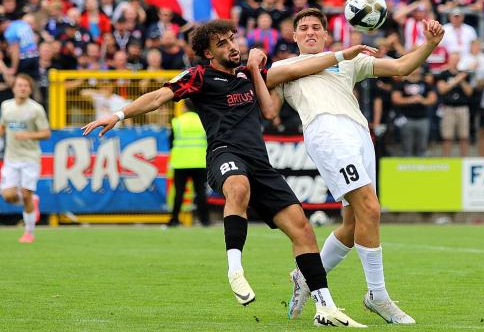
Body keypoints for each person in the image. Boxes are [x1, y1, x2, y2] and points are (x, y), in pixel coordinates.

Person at [82, 19, 376, 327]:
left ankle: (325, 307)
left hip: (260, 164)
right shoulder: (198, 76)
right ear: (208, 53)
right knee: (237, 187)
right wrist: (118, 114)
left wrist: (339, 55)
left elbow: (283, 91)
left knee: (303, 229)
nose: (231, 46)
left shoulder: (250, 74)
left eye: (232, 39)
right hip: (224, 154)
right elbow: (158, 97)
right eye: (221, 44)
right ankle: (235, 269)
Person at [266, 8, 445, 325]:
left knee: (353, 225)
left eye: (316, 28)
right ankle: (377, 295)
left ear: (325, 34)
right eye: (303, 28)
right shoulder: (285, 66)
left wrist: (428, 44)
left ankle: (306, 276)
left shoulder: (348, 61)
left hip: (360, 134)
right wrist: (337, 54)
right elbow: (269, 97)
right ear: (293, 36)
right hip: (327, 133)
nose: (310, 32)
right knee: (371, 210)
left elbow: (402, 66)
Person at [0, 74, 51, 243]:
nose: (22, 88)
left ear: (29, 89)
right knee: (8, 195)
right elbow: (3, 127)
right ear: (14, 88)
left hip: (30, 158)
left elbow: (46, 133)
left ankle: (29, 232)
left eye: (25, 86)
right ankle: (29, 200)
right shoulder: (6, 106)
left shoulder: (36, 109)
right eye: (19, 85)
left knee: (27, 194)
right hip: (11, 158)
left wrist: (28, 135)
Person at [167, 99, 210, 227]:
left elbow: (170, 143)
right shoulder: (203, 120)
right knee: (201, 192)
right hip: (199, 161)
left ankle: (174, 220)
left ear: (184, 107)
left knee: (179, 193)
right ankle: (205, 220)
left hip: (181, 162)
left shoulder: (177, 122)